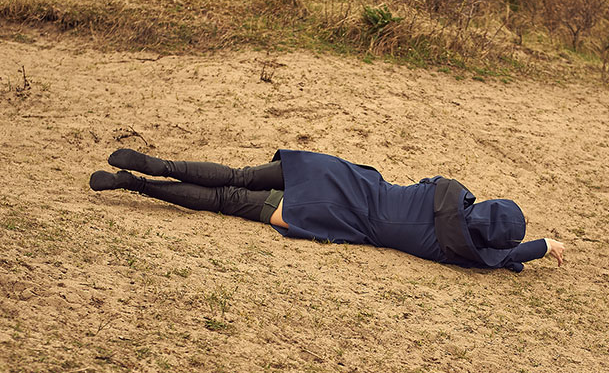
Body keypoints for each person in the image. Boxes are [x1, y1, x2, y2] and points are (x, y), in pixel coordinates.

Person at [90, 149, 565, 271]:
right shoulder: (457, 253)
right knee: (227, 203)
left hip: (342, 180)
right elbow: (504, 257)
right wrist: (541, 247)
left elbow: (431, 185)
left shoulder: (445, 189)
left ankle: (155, 163)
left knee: (237, 176)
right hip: (335, 218)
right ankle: (139, 186)